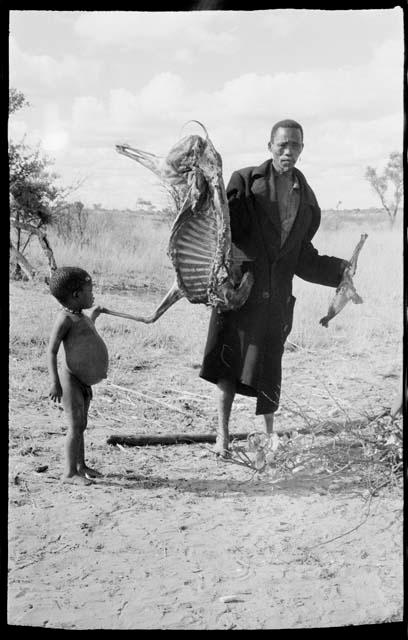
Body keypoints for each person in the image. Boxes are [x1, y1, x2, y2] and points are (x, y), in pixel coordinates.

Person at [199, 119, 350, 456]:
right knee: (228, 366)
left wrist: (340, 270)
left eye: (295, 145)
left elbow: (302, 258)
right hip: (241, 293)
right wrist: (225, 276)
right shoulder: (243, 181)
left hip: (276, 298)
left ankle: (269, 441)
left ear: (302, 148)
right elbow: (221, 232)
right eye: (282, 144)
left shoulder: (307, 201)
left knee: (269, 372)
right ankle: (222, 437)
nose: (288, 151)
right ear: (270, 146)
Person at [47, 267, 109, 485]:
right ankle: (69, 473)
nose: (93, 295)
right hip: (70, 381)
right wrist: (55, 382)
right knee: (74, 426)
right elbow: (52, 350)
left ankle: (81, 465)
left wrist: (95, 314)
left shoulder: (79, 315)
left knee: (82, 424)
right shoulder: (64, 319)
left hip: (83, 381)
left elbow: (85, 331)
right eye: (89, 291)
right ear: (76, 295)